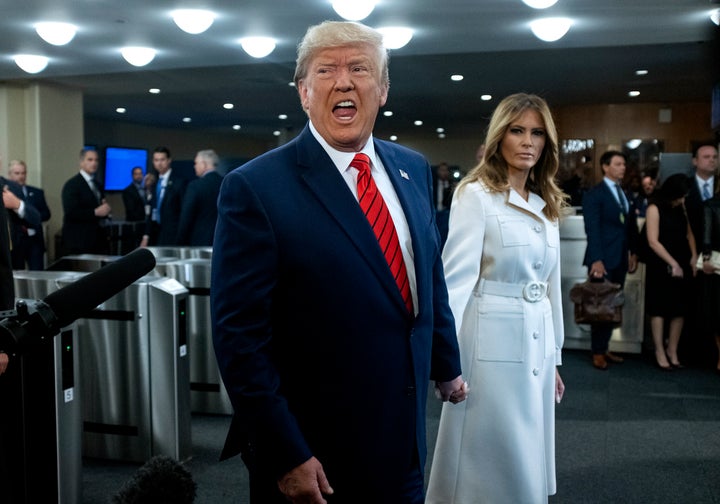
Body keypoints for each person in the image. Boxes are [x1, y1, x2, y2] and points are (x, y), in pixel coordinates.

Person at [211, 21, 466, 504]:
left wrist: (446, 364)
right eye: (326, 69)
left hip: (403, 441)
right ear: (304, 92)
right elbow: (239, 339)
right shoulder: (256, 188)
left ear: (384, 89)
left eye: (359, 68)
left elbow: (427, 274)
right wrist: (284, 452)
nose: (343, 81)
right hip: (314, 458)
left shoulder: (412, 168)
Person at [426, 93, 566, 504]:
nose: (528, 142)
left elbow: (549, 287)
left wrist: (554, 358)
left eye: (537, 133)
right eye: (517, 131)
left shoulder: (547, 204)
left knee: (527, 459)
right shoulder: (476, 194)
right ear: (499, 137)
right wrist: (444, 361)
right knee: (488, 463)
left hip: (536, 346)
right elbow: (453, 282)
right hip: (489, 345)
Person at [581, 150, 639, 370]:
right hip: (602, 259)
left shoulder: (623, 193)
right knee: (600, 305)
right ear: (605, 167)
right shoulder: (595, 194)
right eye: (618, 164)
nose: (622, 167)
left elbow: (629, 226)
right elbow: (592, 229)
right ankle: (597, 351)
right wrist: (596, 259)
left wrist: (634, 252)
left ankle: (604, 347)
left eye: (624, 164)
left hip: (621, 257)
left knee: (612, 305)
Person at [643, 174, 697, 369]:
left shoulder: (680, 207)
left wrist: (693, 256)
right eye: (680, 196)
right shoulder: (654, 208)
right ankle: (659, 350)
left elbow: (689, 233)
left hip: (681, 260)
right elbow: (652, 241)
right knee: (659, 308)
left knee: (679, 309)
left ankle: (672, 350)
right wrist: (672, 263)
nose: (683, 200)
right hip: (661, 262)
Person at [683, 142, 719, 366]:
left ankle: (713, 354)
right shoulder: (685, 186)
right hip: (688, 252)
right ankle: (692, 352)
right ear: (695, 161)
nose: (712, 160)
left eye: (714, 156)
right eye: (706, 157)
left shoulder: (718, 188)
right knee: (692, 302)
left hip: (716, 256)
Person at [61, 149, 112, 255]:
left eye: (96, 160)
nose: (94, 163)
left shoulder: (98, 185)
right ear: (81, 162)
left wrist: (106, 210)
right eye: (90, 160)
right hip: (79, 241)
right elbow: (70, 212)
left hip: (97, 240)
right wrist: (95, 212)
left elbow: (101, 206)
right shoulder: (72, 185)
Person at [7, 160, 51, 270]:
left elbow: (46, 213)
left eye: (23, 173)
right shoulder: (7, 194)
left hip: (35, 240)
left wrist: (32, 215)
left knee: (38, 272)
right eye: (17, 173)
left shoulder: (37, 192)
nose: (21, 176)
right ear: (10, 174)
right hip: (17, 242)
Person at [176, 150, 223, 246]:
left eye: (196, 163)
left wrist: (180, 242)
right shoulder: (225, 183)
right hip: (221, 240)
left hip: (199, 242)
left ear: (203, 164)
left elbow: (186, 217)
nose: (194, 166)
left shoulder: (195, 186)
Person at [144, 147, 187, 246]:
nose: (159, 163)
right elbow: (152, 211)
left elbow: (184, 211)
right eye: (156, 160)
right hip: (156, 234)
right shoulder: (154, 183)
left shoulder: (179, 182)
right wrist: (146, 235)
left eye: (162, 160)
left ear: (169, 160)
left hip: (173, 234)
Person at [701, 184, 720, 374]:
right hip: (717, 264)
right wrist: (706, 258)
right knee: (717, 312)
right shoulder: (712, 205)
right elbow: (707, 235)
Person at [432, 162, 454, 247]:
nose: (444, 173)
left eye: (446, 170)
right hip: (435, 212)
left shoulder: (452, 184)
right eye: (442, 170)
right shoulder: (433, 184)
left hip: (447, 214)